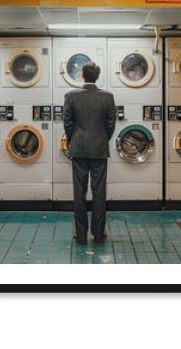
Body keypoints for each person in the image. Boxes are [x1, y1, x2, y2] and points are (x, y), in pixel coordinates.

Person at [63, 62, 116, 244]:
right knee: (99, 191)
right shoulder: (108, 97)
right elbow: (111, 125)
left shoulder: (71, 96)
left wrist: (74, 140)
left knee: (79, 192)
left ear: (83, 76)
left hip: (78, 149)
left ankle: (80, 234)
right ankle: (99, 234)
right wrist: (102, 138)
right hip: (99, 149)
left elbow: (67, 123)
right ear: (97, 76)